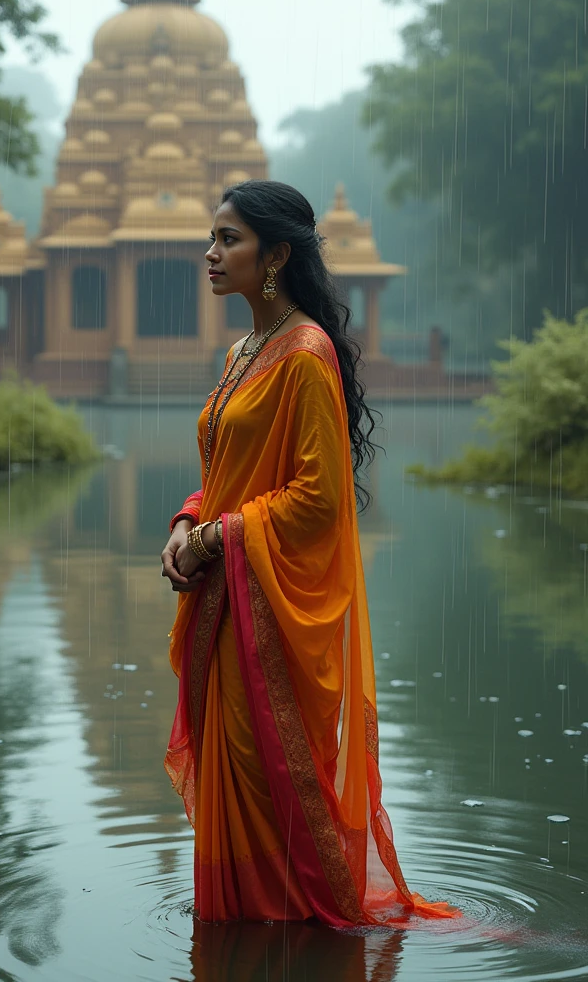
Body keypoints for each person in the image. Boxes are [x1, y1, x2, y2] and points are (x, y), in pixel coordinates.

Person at [161, 180, 461, 928]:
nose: (210, 252)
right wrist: (185, 521)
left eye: (228, 238)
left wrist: (215, 539)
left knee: (271, 788)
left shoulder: (304, 353)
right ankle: (239, 939)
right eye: (213, 236)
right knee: (241, 788)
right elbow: (222, 471)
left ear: (276, 255)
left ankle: (297, 938)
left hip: (271, 616)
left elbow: (319, 499)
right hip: (223, 603)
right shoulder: (242, 351)